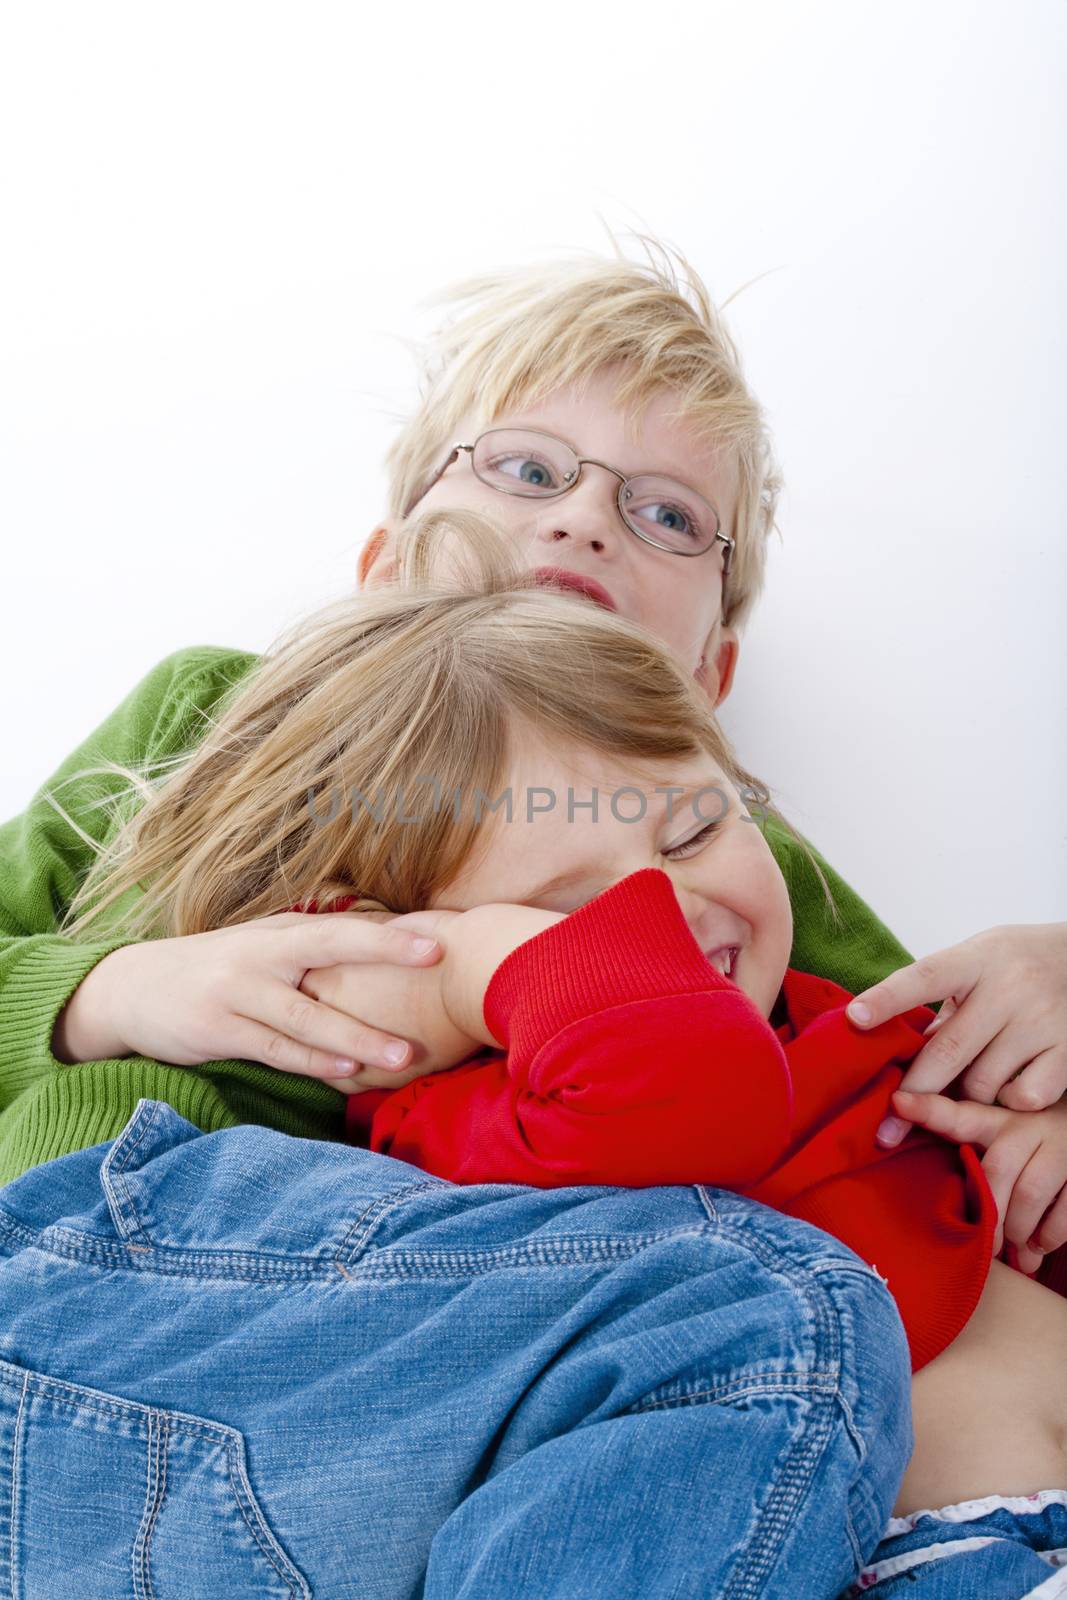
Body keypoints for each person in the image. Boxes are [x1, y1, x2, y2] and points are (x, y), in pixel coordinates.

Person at [20, 506, 1067, 1594]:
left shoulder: (837, 1014)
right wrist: (448, 967)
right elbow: (691, 1078)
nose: (676, 907)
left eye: (696, 828)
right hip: (901, 1553)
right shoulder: (466, 1123)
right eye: (573, 915)